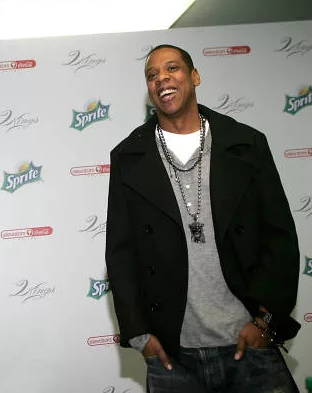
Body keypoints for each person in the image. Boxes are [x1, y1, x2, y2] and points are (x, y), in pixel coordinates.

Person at [105, 44, 300, 392]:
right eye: (152, 75)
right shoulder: (128, 157)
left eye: (172, 68)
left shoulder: (246, 144)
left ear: (194, 76)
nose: (161, 78)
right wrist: (140, 335)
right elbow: (121, 253)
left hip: (249, 343)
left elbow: (278, 237)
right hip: (172, 354)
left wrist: (265, 321)